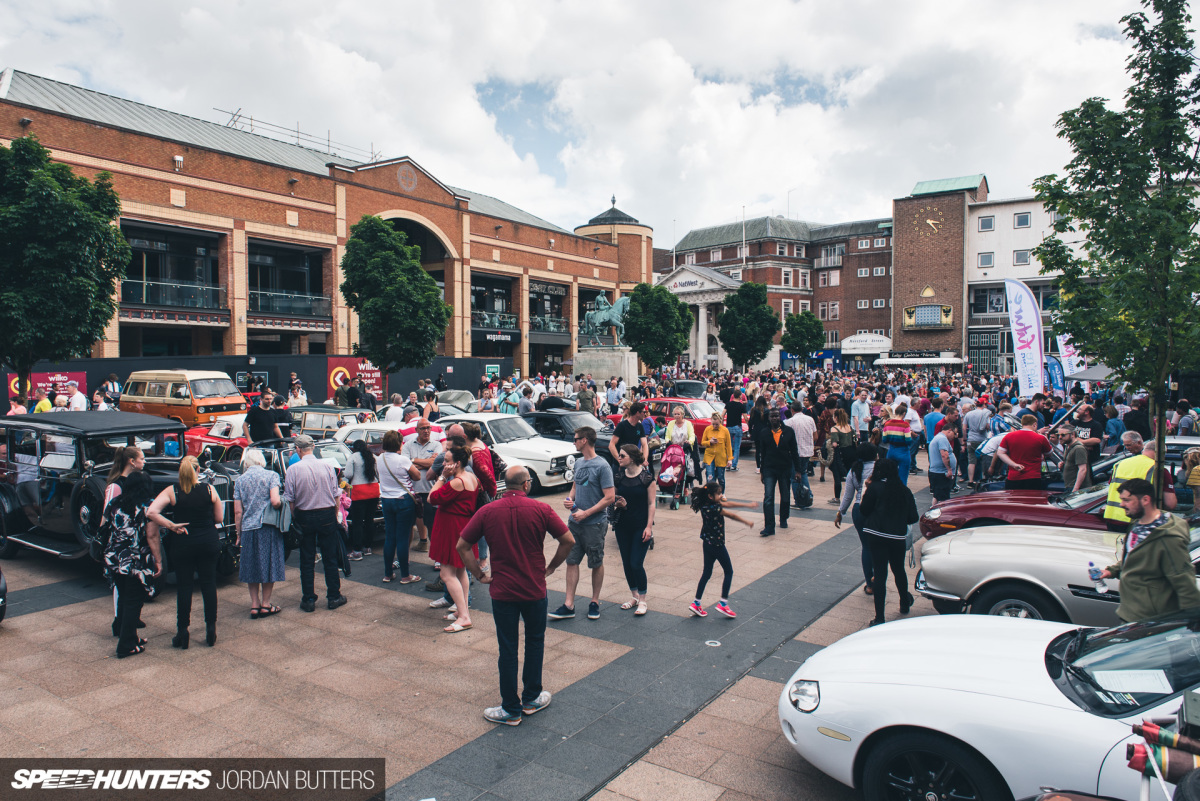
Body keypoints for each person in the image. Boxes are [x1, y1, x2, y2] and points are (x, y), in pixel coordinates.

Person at [457, 465, 573, 725]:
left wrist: (479, 574)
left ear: (503, 485)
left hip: (503, 591)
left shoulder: (487, 511)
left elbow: (462, 545)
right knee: (535, 642)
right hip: (534, 588)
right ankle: (531, 699)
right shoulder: (541, 509)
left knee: (507, 648)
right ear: (526, 485)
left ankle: (510, 709)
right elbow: (568, 540)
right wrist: (552, 566)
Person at [1098, 478, 1200, 622]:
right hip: (1131, 614)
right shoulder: (1137, 525)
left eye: (1127, 500)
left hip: (1149, 620)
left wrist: (1192, 619)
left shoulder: (1167, 538)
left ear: (1145, 499)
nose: (1121, 504)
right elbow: (1134, 558)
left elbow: (1182, 578)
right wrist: (1111, 571)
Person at [147, 456, 224, 648]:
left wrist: (171, 525)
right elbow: (219, 517)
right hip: (208, 540)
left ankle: (182, 632)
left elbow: (151, 512)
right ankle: (210, 629)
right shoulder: (209, 489)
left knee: (184, 587)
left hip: (183, 542)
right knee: (208, 584)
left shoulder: (172, 491)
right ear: (198, 470)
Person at [550, 426, 615, 621]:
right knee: (571, 561)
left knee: (596, 562)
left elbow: (610, 497)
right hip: (575, 523)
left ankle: (594, 601)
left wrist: (586, 513)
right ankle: (569, 604)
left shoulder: (602, 466)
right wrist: (570, 499)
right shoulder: (578, 463)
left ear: (585, 440)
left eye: (576, 439)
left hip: (594, 524)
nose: (574, 442)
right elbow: (575, 486)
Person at [100, 470, 161, 658]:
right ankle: (126, 644)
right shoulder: (147, 506)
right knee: (135, 600)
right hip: (136, 560)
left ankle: (128, 635)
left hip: (115, 557)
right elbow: (151, 535)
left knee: (124, 597)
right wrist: (158, 560)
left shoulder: (114, 503)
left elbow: (104, 525)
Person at [283, 435, 348, 612]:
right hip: (326, 513)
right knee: (330, 557)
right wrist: (335, 515)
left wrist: (295, 517)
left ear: (298, 449)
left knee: (306, 558)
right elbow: (336, 494)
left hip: (304, 515)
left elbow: (290, 499)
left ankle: (309, 599)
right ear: (313, 448)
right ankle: (334, 596)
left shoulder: (293, 469)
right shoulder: (327, 466)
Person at [860, 457, 920, 627]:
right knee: (899, 569)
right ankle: (903, 602)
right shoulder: (904, 490)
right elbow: (913, 517)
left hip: (876, 534)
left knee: (880, 573)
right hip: (897, 537)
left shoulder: (874, 488)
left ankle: (879, 617)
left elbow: (864, 510)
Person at [428, 446, 479, 632]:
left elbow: (432, 498)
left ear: (456, 463)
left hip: (452, 528)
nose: (444, 463)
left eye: (447, 460)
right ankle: (461, 610)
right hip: (462, 527)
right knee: (460, 571)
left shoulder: (457, 482)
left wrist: (442, 476)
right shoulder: (471, 477)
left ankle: (464, 616)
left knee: (446, 574)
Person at [688, 480, 756, 618]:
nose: (721, 496)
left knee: (706, 573)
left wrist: (745, 504)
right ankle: (723, 603)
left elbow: (727, 504)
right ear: (710, 496)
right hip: (717, 545)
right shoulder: (715, 508)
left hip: (707, 543)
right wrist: (746, 519)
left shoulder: (705, 505)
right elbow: (732, 513)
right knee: (729, 571)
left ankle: (696, 602)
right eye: (718, 494)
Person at [232, 448, 285, 619]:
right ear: (262, 461)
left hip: (248, 528)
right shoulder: (271, 476)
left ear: (247, 463)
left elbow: (238, 512)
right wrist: (280, 505)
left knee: (251, 566)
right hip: (267, 526)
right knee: (269, 565)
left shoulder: (240, 480)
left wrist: (238, 533)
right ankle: (266, 604)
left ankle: (254, 604)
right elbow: (275, 501)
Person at [610, 445, 656, 616]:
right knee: (627, 563)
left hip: (640, 526)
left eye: (622, 455)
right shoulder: (619, 477)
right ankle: (635, 596)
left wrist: (649, 527)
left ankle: (643, 600)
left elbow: (652, 504)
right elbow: (611, 498)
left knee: (636, 563)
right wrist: (617, 503)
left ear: (632, 457)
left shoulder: (647, 479)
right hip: (623, 525)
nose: (619, 458)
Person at [1103, 437, 1178, 531]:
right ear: (1162, 453)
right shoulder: (1158, 468)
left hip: (1112, 517)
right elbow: (1170, 504)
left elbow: (1111, 488)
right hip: (1138, 520)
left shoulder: (1119, 464)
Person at [377, 430, 421, 584]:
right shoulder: (403, 460)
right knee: (403, 538)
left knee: (390, 538)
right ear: (399, 443)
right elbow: (417, 476)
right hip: (403, 501)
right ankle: (405, 575)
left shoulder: (379, 458)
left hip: (386, 500)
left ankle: (388, 574)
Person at [835, 443, 878, 595]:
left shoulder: (854, 471)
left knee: (866, 547)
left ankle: (870, 583)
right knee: (879, 547)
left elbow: (848, 496)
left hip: (860, 510)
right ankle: (879, 578)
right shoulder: (880, 468)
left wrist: (841, 512)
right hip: (877, 510)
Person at [757, 408, 801, 537]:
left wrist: (798, 470)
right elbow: (762, 453)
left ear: (779, 417)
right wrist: (761, 470)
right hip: (769, 468)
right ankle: (769, 526)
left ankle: (783, 518)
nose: (774, 418)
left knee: (785, 495)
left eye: (776, 416)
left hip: (785, 468)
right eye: (772, 416)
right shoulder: (764, 432)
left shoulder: (788, 432)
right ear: (769, 418)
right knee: (769, 497)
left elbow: (794, 451)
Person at [403, 420, 443, 555]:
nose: (426, 431)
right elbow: (405, 465)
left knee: (433, 527)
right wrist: (427, 463)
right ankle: (404, 557)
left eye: (428, 428)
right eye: (423, 428)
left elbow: (435, 463)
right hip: (412, 492)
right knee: (407, 527)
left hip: (429, 492)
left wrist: (413, 461)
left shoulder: (436, 445)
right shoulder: (408, 445)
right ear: (416, 430)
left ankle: (437, 557)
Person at [344, 439, 380, 561]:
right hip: (374, 490)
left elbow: (348, 474)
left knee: (358, 522)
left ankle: (357, 551)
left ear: (354, 448)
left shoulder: (353, 457)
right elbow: (379, 474)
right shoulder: (373, 456)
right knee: (369, 520)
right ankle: (367, 547)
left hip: (359, 491)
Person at [997, 414, 1051, 491]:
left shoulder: (1009, 436)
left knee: (1014, 500)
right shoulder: (1041, 438)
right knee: (1032, 500)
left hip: (1013, 477)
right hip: (1033, 477)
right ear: (1034, 424)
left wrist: (1014, 464)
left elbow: (1000, 453)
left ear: (1022, 424)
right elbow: (1049, 453)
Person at [785, 400, 817, 506]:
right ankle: (809, 495)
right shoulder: (810, 419)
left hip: (795, 453)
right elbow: (815, 436)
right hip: (807, 451)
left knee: (795, 476)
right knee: (803, 473)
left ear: (792, 410)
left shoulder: (789, 422)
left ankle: (799, 499)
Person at [881, 403, 914, 485]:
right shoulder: (905, 425)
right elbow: (908, 441)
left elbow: (884, 440)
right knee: (903, 477)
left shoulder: (887, 424)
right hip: (903, 452)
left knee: (890, 476)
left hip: (891, 450)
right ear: (904, 414)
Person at [926, 424, 957, 502]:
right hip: (941, 473)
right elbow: (944, 455)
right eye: (955, 433)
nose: (955, 436)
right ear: (949, 430)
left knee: (937, 496)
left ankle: (933, 512)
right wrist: (949, 470)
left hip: (938, 472)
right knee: (943, 499)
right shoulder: (942, 439)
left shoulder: (938, 438)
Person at [702, 412, 733, 491]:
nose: (715, 426)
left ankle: (721, 493)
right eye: (713, 424)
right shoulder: (708, 429)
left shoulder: (725, 430)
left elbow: (728, 445)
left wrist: (730, 459)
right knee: (710, 477)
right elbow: (702, 442)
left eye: (717, 424)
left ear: (720, 422)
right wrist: (709, 442)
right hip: (709, 456)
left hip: (721, 457)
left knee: (721, 478)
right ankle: (710, 494)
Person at [1060, 427, 1092, 493]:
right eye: (1058, 435)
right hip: (1069, 486)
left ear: (1072, 434)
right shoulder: (1067, 447)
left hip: (1077, 488)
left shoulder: (1078, 448)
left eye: (1063, 435)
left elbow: (1082, 469)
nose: (1060, 437)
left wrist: (1075, 489)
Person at [725, 388, 747, 470]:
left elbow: (723, 414)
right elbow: (745, 417)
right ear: (740, 396)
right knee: (737, 447)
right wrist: (748, 424)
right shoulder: (741, 406)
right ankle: (734, 465)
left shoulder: (728, 404)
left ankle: (728, 464)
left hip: (729, 426)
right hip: (737, 426)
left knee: (729, 446)